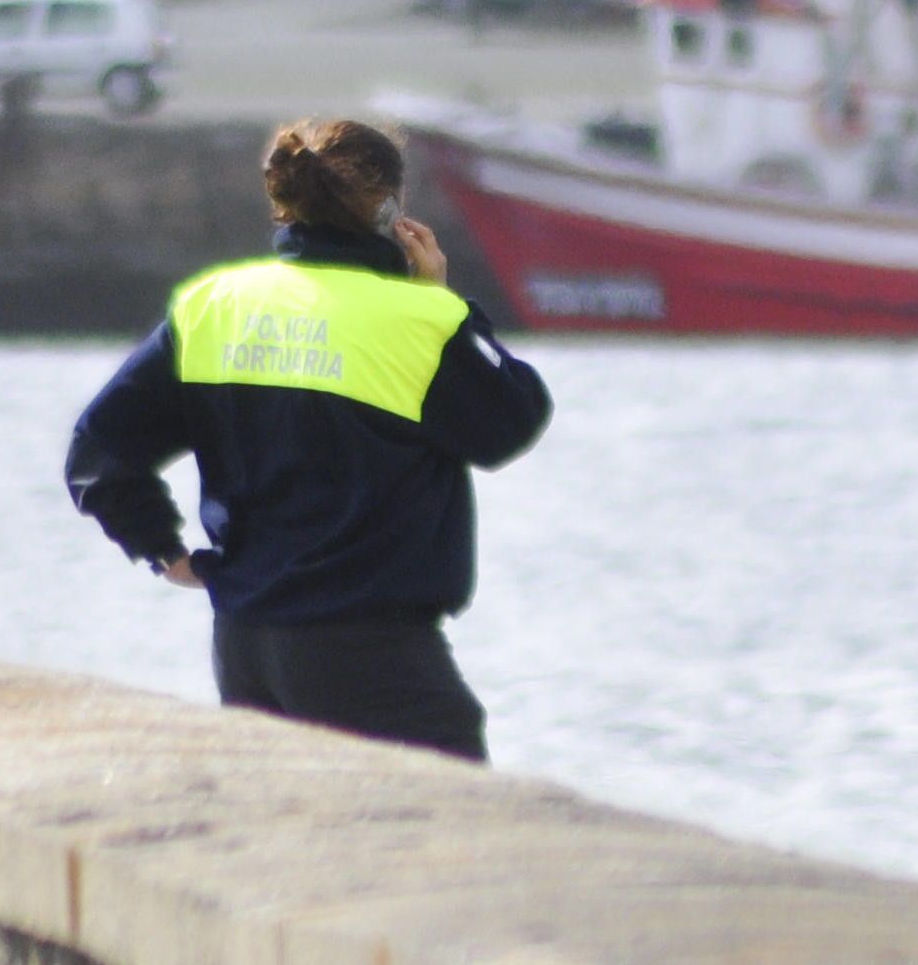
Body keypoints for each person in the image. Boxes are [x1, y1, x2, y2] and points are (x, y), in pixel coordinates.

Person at [65, 117, 553, 762]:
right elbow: (509, 424)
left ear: (285, 204)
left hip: (247, 647)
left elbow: (100, 450)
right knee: (449, 838)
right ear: (389, 210)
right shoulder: (420, 319)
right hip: (372, 653)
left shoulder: (213, 306)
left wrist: (161, 551)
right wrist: (437, 301)